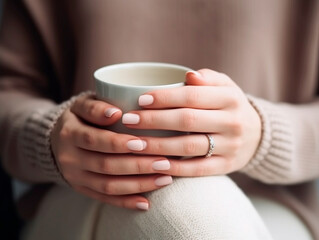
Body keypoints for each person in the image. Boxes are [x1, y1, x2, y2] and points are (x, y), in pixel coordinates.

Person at [0, 0, 318, 239]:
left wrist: (266, 134)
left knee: (192, 207)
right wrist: (48, 137)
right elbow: (9, 91)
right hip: (79, 196)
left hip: (273, 204)